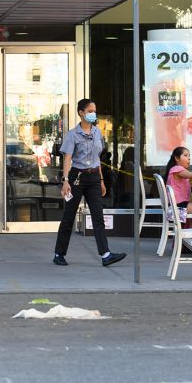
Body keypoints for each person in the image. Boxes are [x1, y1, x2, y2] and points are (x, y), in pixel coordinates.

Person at [52, 99, 126, 267]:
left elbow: (97, 159)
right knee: (68, 216)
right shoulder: (72, 135)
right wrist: (65, 181)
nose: (93, 113)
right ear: (81, 113)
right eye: (90, 110)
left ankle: (106, 254)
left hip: (93, 177)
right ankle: (59, 253)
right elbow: (67, 158)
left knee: (98, 216)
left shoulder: (97, 132)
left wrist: (101, 180)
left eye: (94, 110)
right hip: (76, 178)